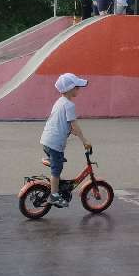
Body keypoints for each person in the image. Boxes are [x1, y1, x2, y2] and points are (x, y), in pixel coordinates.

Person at [41, 73, 92, 205]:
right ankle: (54, 195)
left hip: (46, 140)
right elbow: (74, 124)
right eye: (76, 87)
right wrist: (84, 140)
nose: (78, 89)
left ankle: (53, 167)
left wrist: (70, 131)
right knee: (57, 169)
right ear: (69, 89)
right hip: (55, 143)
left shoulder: (59, 101)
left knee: (57, 162)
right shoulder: (69, 105)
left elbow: (61, 122)